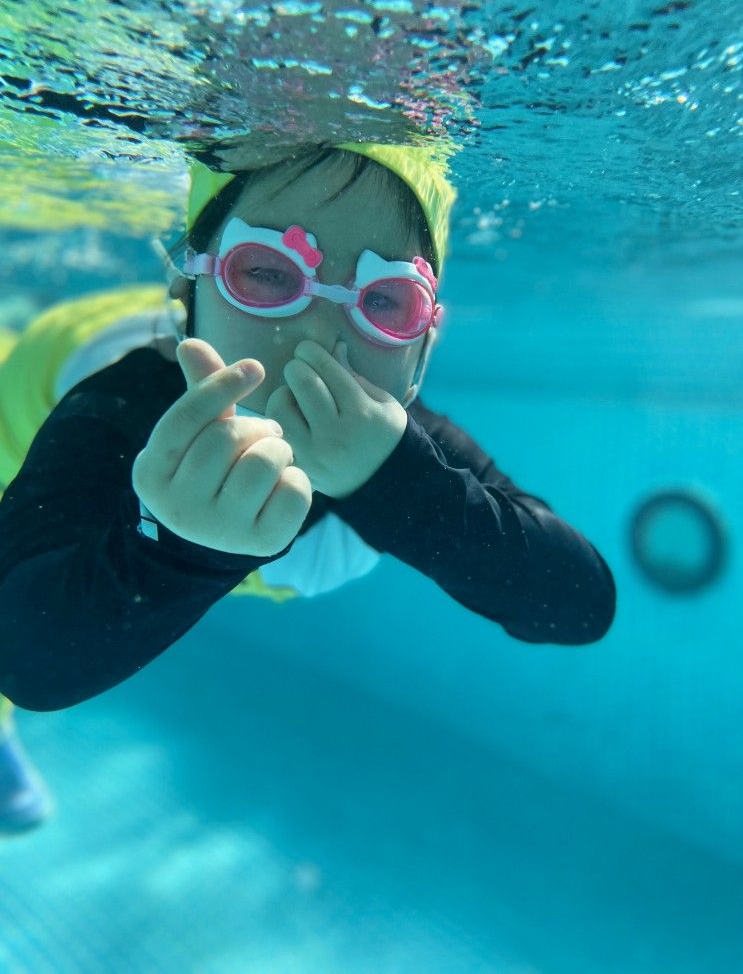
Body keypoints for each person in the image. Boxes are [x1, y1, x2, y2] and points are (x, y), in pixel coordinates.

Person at [0, 143, 617, 821]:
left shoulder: (408, 439)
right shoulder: (121, 405)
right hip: (26, 394)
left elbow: (577, 602)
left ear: (422, 348)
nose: (318, 331)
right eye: (266, 272)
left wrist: (395, 480)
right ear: (187, 292)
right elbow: (25, 652)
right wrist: (180, 548)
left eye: (384, 299)